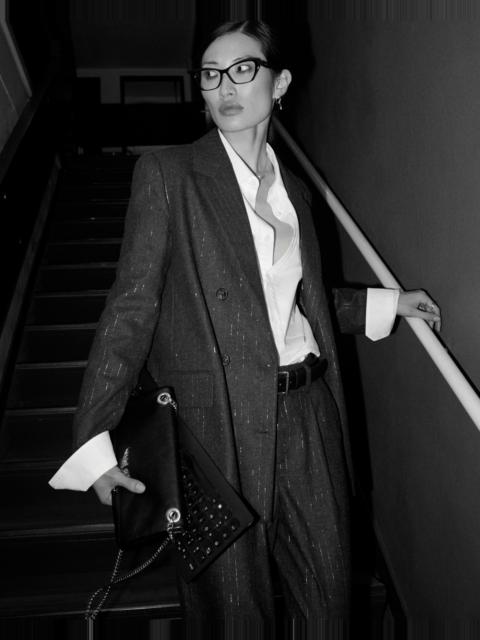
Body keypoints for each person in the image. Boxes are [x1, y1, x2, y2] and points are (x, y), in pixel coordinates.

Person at [49, 19, 441, 638]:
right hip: (217, 426)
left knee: (329, 598)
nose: (225, 86)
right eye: (211, 74)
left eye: (242, 69)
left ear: (278, 83)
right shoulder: (169, 174)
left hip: (310, 412)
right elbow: (131, 307)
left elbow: (294, 302)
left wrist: (390, 304)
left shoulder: (297, 195)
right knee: (234, 612)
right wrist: (94, 436)